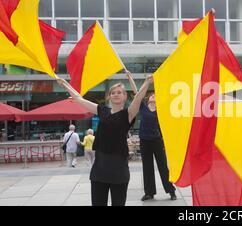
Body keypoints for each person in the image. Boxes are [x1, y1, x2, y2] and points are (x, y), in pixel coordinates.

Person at [56, 73, 153, 206]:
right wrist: (65, 84)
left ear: (125, 96)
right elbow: (79, 98)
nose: (116, 94)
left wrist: (147, 82)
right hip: (99, 168)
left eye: (119, 92)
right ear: (109, 96)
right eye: (113, 92)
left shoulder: (128, 114)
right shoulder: (102, 110)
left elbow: (138, 97)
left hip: (119, 169)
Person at [126, 71, 177, 201]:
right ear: (148, 99)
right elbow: (136, 92)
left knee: (163, 166)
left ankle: (171, 190)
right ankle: (149, 193)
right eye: (151, 95)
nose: (153, 96)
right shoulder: (142, 106)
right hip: (144, 140)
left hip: (156, 140)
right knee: (147, 167)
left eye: (155, 95)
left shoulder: (161, 109)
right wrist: (129, 76)